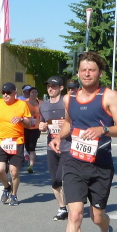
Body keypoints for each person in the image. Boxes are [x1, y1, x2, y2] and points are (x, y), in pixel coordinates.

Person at [50, 51, 117, 232]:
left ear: (99, 73)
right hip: (74, 162)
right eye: (83, 69)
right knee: (74, 214)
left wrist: (103, 129)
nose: (86, 73)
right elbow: (69, 123)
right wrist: (58, 137)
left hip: (101, 164)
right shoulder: (69, 98)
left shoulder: (109, 96)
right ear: (78, 72)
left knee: (96, 217)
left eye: (91, 70)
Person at [0, 82, 31, 206]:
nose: (5, 95)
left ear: (15, 93)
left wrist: (21, 119)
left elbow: (29, 123)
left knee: (14, 171)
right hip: (1, 140)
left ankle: (14, 195)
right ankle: (7, 187)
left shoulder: (22, 104)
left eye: (8, 93)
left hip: (17, 141)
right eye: (3, 92)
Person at [39, 76, 70, 221]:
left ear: (61, 88)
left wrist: (68, 124)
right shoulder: (43, 106)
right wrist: (42, 126)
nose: (50, 89)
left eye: (54, 86)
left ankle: (74, 203)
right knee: (54, 181)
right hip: (51, 147)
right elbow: (42, 124)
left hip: (67, 146)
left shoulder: (67, 103)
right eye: (48, 86)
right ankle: (62, 208)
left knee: (61, 178)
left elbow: (76, 122)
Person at [24, 87, 41, 173]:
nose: (34, 94)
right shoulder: (25, 103)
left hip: (36, 128)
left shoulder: (40, 103)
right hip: (26, 127)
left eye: (35, 92)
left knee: (32, 146)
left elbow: (44, 114)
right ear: (29, 93)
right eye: (32, 92)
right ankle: (29, 155)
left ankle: (31, 165)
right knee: (27, 145)